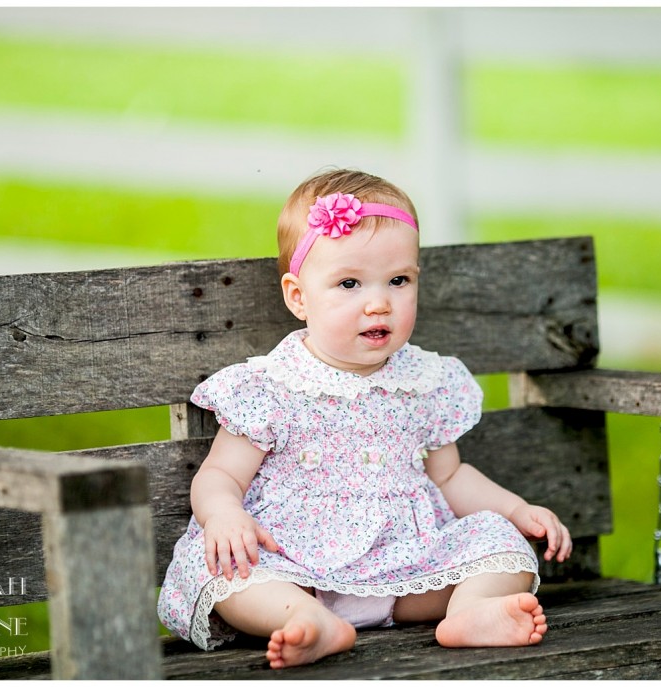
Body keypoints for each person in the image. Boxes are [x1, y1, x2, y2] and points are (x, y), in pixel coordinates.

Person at [157, 168, 572, 669]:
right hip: (294, 565)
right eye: (349, 283)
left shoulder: (423, 380)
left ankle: (470, 612)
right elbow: (221, 474)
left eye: (398, 280)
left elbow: (450, 475)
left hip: (406, 568)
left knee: (499, 544)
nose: (379, 302)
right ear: (298, 296)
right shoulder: (271, 386)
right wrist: (223, 515)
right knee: (221, 568)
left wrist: (514, 509)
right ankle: (307, 620)